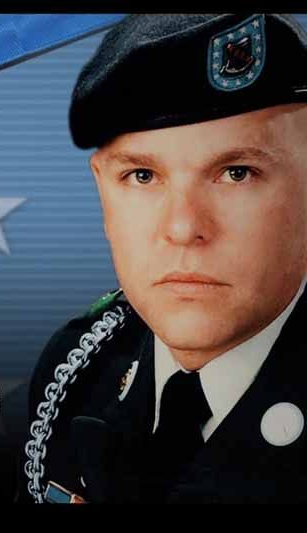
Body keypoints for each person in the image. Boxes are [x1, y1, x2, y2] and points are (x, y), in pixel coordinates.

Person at [20, 13, 307, 504]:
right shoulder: (80, 368)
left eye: (236, 173)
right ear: (102, 192)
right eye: (142, 177)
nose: (182, 228)